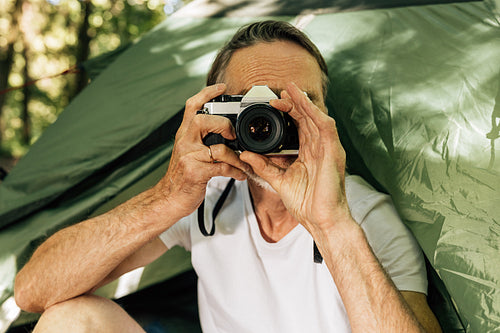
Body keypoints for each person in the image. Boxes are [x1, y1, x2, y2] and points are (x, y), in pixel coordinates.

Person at [14, 20, 442, 332]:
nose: (273, 125)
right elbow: (32, 291)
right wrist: (168, 196)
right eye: (253, 109)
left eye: (298, 103)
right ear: (218, 117)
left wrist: (331, 225)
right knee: (72, 319)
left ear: (325, 118)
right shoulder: (208, 196)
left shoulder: (364, 217)